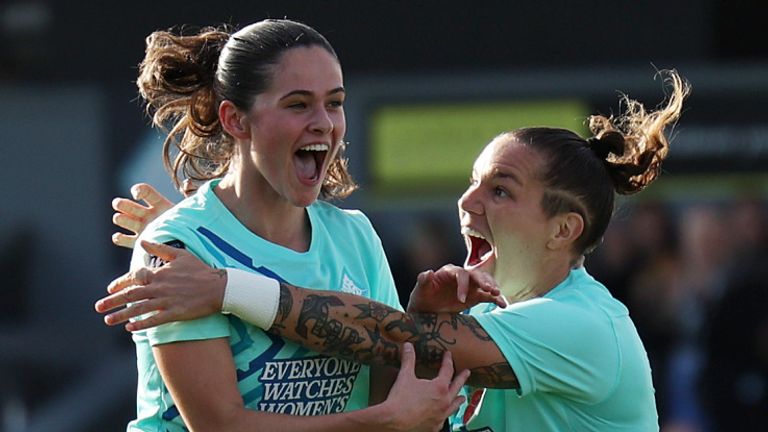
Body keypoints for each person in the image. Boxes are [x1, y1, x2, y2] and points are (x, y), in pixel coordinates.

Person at [98, 70, 690, 430]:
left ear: (564, 230)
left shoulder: (580, 327)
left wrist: (226, 279)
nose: (468, 201)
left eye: (501, 191)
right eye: (474, 180)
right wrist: (207, 232)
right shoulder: (483, 320)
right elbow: (410, 365)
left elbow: (389, 338)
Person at [105, 18, 483, 431]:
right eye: (298, 104)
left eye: (334, 102)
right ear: (235, 120)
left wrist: (424, 334)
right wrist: (385, 421)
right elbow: (221, 426)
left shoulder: (354, 236)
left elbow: (388, 387)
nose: (324, 121)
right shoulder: (177, 245)